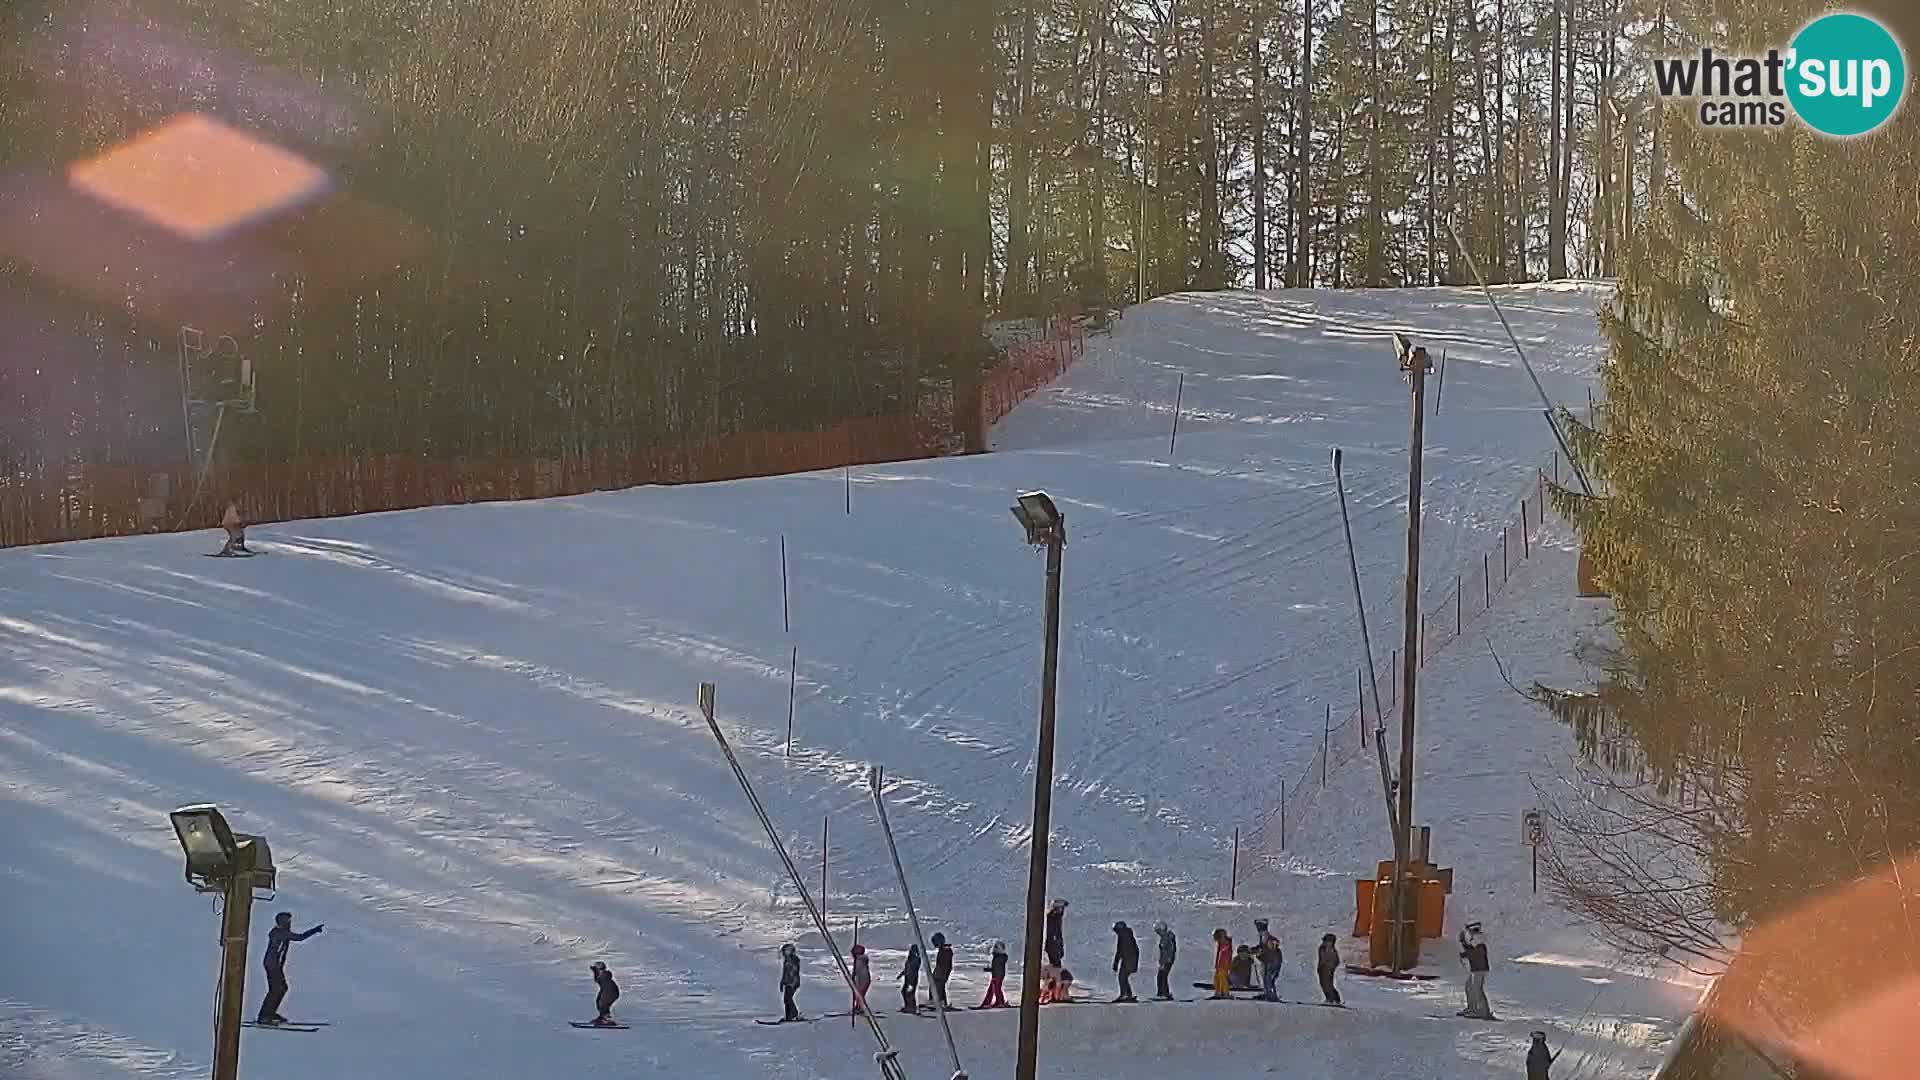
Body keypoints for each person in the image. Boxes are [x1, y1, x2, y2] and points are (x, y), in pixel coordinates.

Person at [257, 911, 322, 1024]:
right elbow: (300, 937)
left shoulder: (280, 931)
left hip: (274, 964)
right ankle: (265, 1016)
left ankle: (269, 1013)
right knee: (277, 989)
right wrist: (315, 930)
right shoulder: (280, 932)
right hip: (273, 964)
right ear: (283, 922)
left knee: (280, 989)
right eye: (288, 921)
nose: (290, 923)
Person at [1457, 921, 1496, 1019]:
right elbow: (1470, 951)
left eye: (1469, 931)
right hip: (1476, 969)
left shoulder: (1478, 940)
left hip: (1479, 969)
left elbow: (1471, 952)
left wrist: (1463, 943)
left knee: (1477, 990)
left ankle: (1484, 1012)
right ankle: (1472, 1008)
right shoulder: (1475, 940)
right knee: (1469, 987)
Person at [1251, 918, 1282, 1001]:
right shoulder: (1264, 936)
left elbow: (1267, 948)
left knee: (1268, 978)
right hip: (1269, 960)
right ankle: (1267, 993)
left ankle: (1270, 995)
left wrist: (1258, 951)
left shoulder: (1266, 936)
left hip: (1269, 961)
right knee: (1267, 979)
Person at [1110, 921, 1139, 1002]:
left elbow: (1121, 950)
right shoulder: (1126, 935)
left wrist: (1117, 962)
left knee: (1122, 977)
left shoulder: (1124, 936)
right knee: (1123, 977)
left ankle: (1125, 994)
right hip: (1128, 960)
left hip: (1128, 961)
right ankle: (1126, 994)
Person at [589, 961, 621, 1025]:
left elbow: (600, 978)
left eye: (597, 969)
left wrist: (596, 971)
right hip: (607, 991)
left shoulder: (604, 975)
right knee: (599, 1002)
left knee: (603, 1004)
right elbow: (598, 979)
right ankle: (602, 1017)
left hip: (611, 992)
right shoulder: (602, 974)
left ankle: (607, 1019)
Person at [979, 940, 1009, 1008]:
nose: (994, 948)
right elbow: (997, 967)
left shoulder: (999, 957)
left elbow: (998, 968)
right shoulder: (998, 957)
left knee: (996, 989)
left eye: (996, 947)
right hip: (997, 975)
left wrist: (995, 975)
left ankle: (999, 1002)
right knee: (993, 989)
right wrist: (990, 970)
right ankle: (990, 1002)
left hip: (997, 975)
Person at [1152, 921, 1176, 1000]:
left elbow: (1169, 950)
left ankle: (1165, 994)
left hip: (1167, 961)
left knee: (1163, 976)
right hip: (1165, 961)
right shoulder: (1165, 937)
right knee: (1161, 976)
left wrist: (1167, 960)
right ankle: (1162, 993)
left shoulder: (1167, 937)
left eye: (1158, 931)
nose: (1158, 933)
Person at [1316, 934, 1342, 1005]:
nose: (1324, 942)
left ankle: (1334, 998)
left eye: (1326, 941)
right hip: (1322, 969)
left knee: (1329, 985)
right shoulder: (1322, 948)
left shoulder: (1333, 950)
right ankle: (1328, 998)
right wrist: (1319, 967)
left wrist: (1332, 967)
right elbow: (1321, 959)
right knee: (1323, 984)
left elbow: (1337, 961)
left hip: (1329, 969)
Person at [929, 933, 954, 1008]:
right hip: (939, 973)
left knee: (937, 988)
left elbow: (945, 965)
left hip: (941, 974)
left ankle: (939, 1003)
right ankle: (941, 1003)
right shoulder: (943, 950)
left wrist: (941, 974)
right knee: (938, 988)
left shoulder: (945, 951)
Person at [779, 943, 802, 1021]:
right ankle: (788, 1016)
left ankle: (794, 1014)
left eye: (786, 951)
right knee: (786, 999)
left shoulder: (794, 960)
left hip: (793, 983)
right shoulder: (786, 960)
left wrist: (794, 983)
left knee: (788, 998)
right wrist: (782, 983)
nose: (784, 953)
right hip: (787, 982)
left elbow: (795, 972)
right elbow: (785, 973)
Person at [1044, 898, 1069, 968]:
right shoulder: (1052, 918)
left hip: (1056, 948)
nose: (1062, 910)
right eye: (1061, 908)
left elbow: (1059, 934)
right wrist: (1056, 950)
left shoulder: (1057, 918)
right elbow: (1052, 935)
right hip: (1053, 948)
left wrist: (1061, 948)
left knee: (1056, 966)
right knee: (1056, 966)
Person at [850, 944, 873, 1015]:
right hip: (863, 979)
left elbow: (857, 969)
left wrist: (853, 975)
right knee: (860, 994)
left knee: (860, 994)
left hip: (864, 979)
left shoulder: (860, 959)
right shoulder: (859, 959)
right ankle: (858, 1007)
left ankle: (859, 1008)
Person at [899, 943, 922, 1013]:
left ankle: (912, 1007)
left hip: (912, 979)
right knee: (904, 991)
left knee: (910, 993)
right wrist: (901, 974)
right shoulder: (910, 959)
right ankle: (908, 1006)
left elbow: (913, 969)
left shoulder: (916, 959)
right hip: (907, 978)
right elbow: (907, 968)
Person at [1210, 928, 1232, 999]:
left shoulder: (1227, 943)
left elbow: (1227, 954)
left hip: (1224, 964)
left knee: (1223, 978)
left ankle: (1225, 993)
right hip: (1219, 964)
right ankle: (1218, 992)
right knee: (1217, 978)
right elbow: (1218, 954)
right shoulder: (1220, 944)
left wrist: (1228, 965)